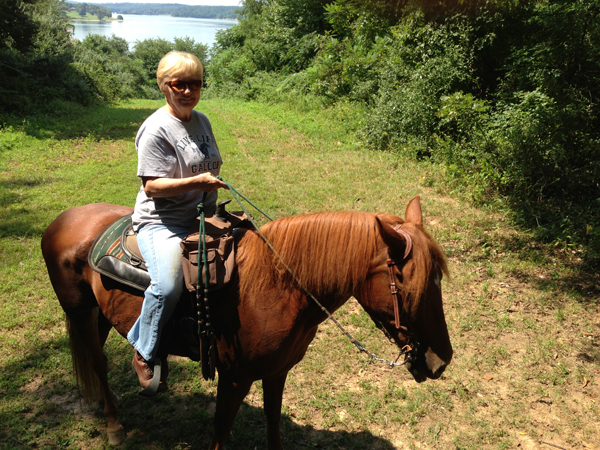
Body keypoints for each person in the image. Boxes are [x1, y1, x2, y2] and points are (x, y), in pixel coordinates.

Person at [128, 51, 228, 392]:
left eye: (195, 83)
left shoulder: (202, 120)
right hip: (162, 222)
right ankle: (144, 349)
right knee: (168, 285)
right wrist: (196, 184)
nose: (188, 90)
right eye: (179, 83)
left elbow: (208, 165)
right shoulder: (155, 128)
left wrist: (210, 202)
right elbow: (152, 186)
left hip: (200, 214)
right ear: (164, 85)